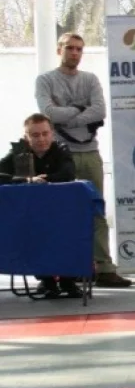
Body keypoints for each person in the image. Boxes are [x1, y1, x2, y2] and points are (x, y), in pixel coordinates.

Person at [35, 33, 132, 288]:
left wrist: (67, 115)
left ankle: (104, 267)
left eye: (79, 49)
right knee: (62, 214)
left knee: (96, 211)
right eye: (69, 48)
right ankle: (67, 270)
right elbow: (48, 113)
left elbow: (100, 111)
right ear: (59, 50)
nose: (74, 53)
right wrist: (81, 111)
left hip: (90, 153)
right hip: (60, 156)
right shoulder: (45, 80)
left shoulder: (90, 80)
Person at [0, 113, 83, 298]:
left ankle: (68, 280)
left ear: (52, 133)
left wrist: (43, 180)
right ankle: (47, 281)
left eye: (45, 133)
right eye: (35, 135)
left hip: (60, 215)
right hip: (31, 218)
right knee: (33, 233)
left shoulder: (61, 149)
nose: (41, 139)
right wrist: (27, 179)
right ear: (26, 137)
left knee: (69, 232)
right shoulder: (18, 152)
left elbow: (67, 174)